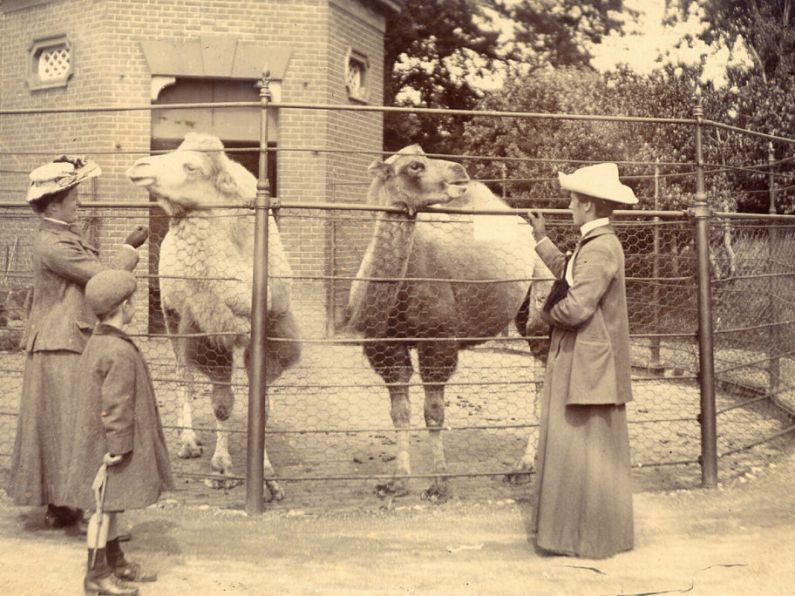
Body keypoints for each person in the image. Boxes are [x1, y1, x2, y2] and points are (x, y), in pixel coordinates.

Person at [6, 156, 148, 530]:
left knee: (60, 424)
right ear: (54, 202)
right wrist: (129, 249)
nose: (79, 202)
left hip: (63, 340)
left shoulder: (63, 236)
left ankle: (63, 505)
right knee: (75, 426)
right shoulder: (54, 244)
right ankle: (82, 509)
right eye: (74, 197)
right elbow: (103, 281)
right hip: (61, 342)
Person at [523, 162, 637, 559]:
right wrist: (541, 239)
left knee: (581, 447)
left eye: (573, 200)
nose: (569, 205)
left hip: (588, 364)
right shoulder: (594, 243)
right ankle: (581, 534)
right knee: (583, 448)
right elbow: (570, 273)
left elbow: (576, 306)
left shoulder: (602, 247)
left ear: (588, 205)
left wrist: (543, 314)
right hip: (585, 360)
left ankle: (582, 537)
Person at [63, 269, 174, 595]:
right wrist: (119, 444)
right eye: (133, 301)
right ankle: (96, 575)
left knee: (110, 505)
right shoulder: (118, 351)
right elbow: (116, 404)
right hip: (109, 445)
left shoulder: (100, 343)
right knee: (100, 510)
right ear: (125, 306)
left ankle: (116, 561)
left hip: (101, 442)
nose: (134, 305)